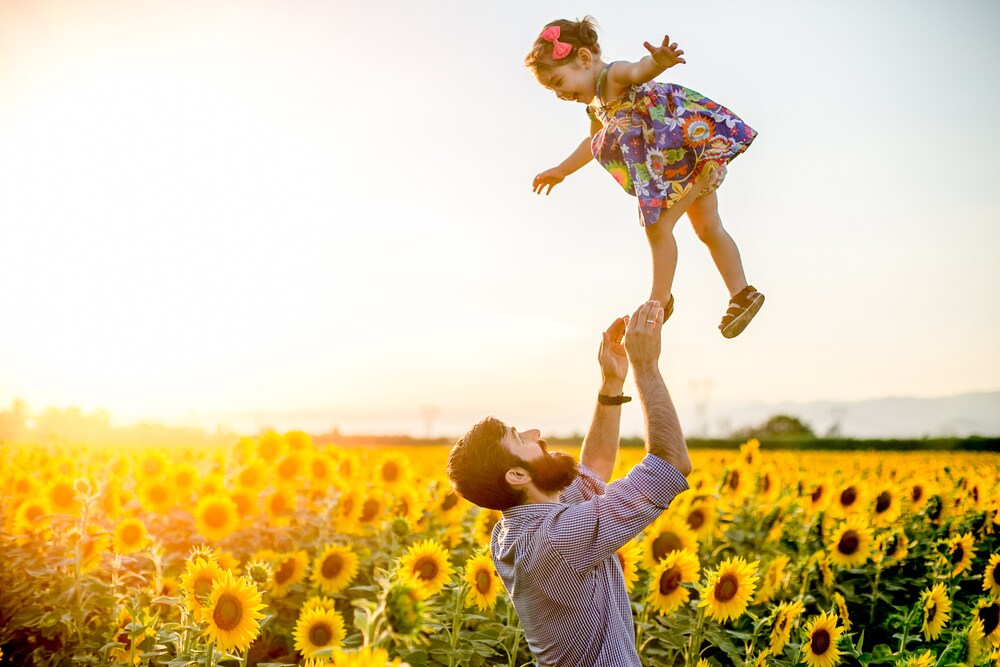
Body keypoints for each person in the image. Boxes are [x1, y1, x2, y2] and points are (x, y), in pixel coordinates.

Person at [446, 300, 692, 667]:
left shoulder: (513, 531)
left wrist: (611, 384)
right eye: (519, 437)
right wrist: (646, 366)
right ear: (516, 476)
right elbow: (670, 464)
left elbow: (594, 468)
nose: (536, 434)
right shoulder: (557, 540)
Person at [526, 17, 764, 338]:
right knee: (708, 228)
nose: (559, 94)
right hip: (681, 166)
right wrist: (561, 171)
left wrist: (659, 62)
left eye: (558, 81)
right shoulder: (597, 106)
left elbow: (639, 69)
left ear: (583, 59)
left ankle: (658, 303)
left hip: (686, 156)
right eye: (552, 89)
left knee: (658, 227)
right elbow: (592, 144)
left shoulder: (614, 75)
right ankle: (742, 293)